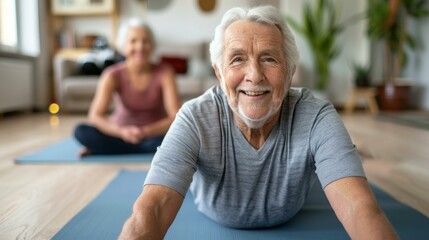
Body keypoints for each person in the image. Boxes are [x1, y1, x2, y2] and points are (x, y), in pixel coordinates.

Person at [119, 6, 398, 239]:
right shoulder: (194, 117)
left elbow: (361, 208)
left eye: (269, 59)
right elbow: (150, 210)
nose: (254, 75)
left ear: (289, 73)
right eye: (237, 59)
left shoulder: (316, 115)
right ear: (219, 71)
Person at [73, 18, 180, 156]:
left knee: (180, 137)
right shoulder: (112, 74)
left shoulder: (165, 72)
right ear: (123, 47)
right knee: (81, 131)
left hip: (155, 136)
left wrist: (145, 132)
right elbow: (95, 116)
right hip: (119, 134)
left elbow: (176, 117)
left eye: (145, 41)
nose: (140, 47)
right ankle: (136, 149)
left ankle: (109, 149)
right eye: (133, 41)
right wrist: (122, 132)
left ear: (152, 46)